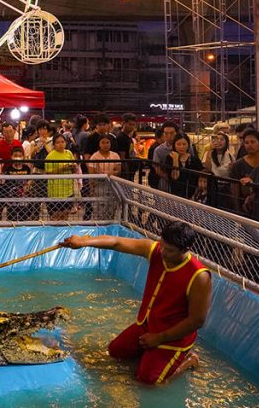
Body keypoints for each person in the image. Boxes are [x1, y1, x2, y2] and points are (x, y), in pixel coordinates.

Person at [61, 222, 210, 384]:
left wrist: (160, 338)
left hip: (173, 337)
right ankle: (151, 357)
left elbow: (197, 320)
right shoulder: (156, 250)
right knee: (115, 351)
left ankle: (188, 361)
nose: (164, 252)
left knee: (148, 381)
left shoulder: (199, 276)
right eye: (162, 245)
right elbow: (116, 242)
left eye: (170, 250)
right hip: (147, 325)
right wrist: (83, 242)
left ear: (185, 249)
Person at [228, 130, 259, 214]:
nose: (249, 145)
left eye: (253, 142)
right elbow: (234, 191)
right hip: (246, 208)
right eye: (246, 143)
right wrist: (237, 211)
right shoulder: (238, 165)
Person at [44, 133, 78, 220]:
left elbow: (75, 168)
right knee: (55, 216)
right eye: (58, 142)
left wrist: (74, 167)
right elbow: (48, 173)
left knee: (65, 215)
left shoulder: (69, 153)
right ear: (54, 144)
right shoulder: (50, 156)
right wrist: (62, 169)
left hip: (68, 190)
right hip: (55, 191)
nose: (61, 144)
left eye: (62, 142)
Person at [166, 134, 206, 201]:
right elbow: (175, 177)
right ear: (174, 145)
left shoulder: (194, 159)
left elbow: (199, 177)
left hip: (191, 194)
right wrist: (175, 160)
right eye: (178, 144)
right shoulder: (170, 158)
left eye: (184, 144)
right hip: (175, 194)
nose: (181, 147)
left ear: (188, 145)